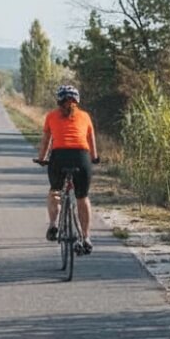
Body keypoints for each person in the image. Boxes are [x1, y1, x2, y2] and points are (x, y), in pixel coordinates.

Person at [35, 84, 99, 254]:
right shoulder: (85, 116)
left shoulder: (51, 116)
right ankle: (85, 237)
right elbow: (91, 139)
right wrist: (94, 157)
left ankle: (53, 224)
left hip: (59, 157)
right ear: (76, 102)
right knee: (82, 197)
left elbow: (46, 141)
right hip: (81, 157)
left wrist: (42, 159)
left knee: (55, 191)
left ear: (58, 101)